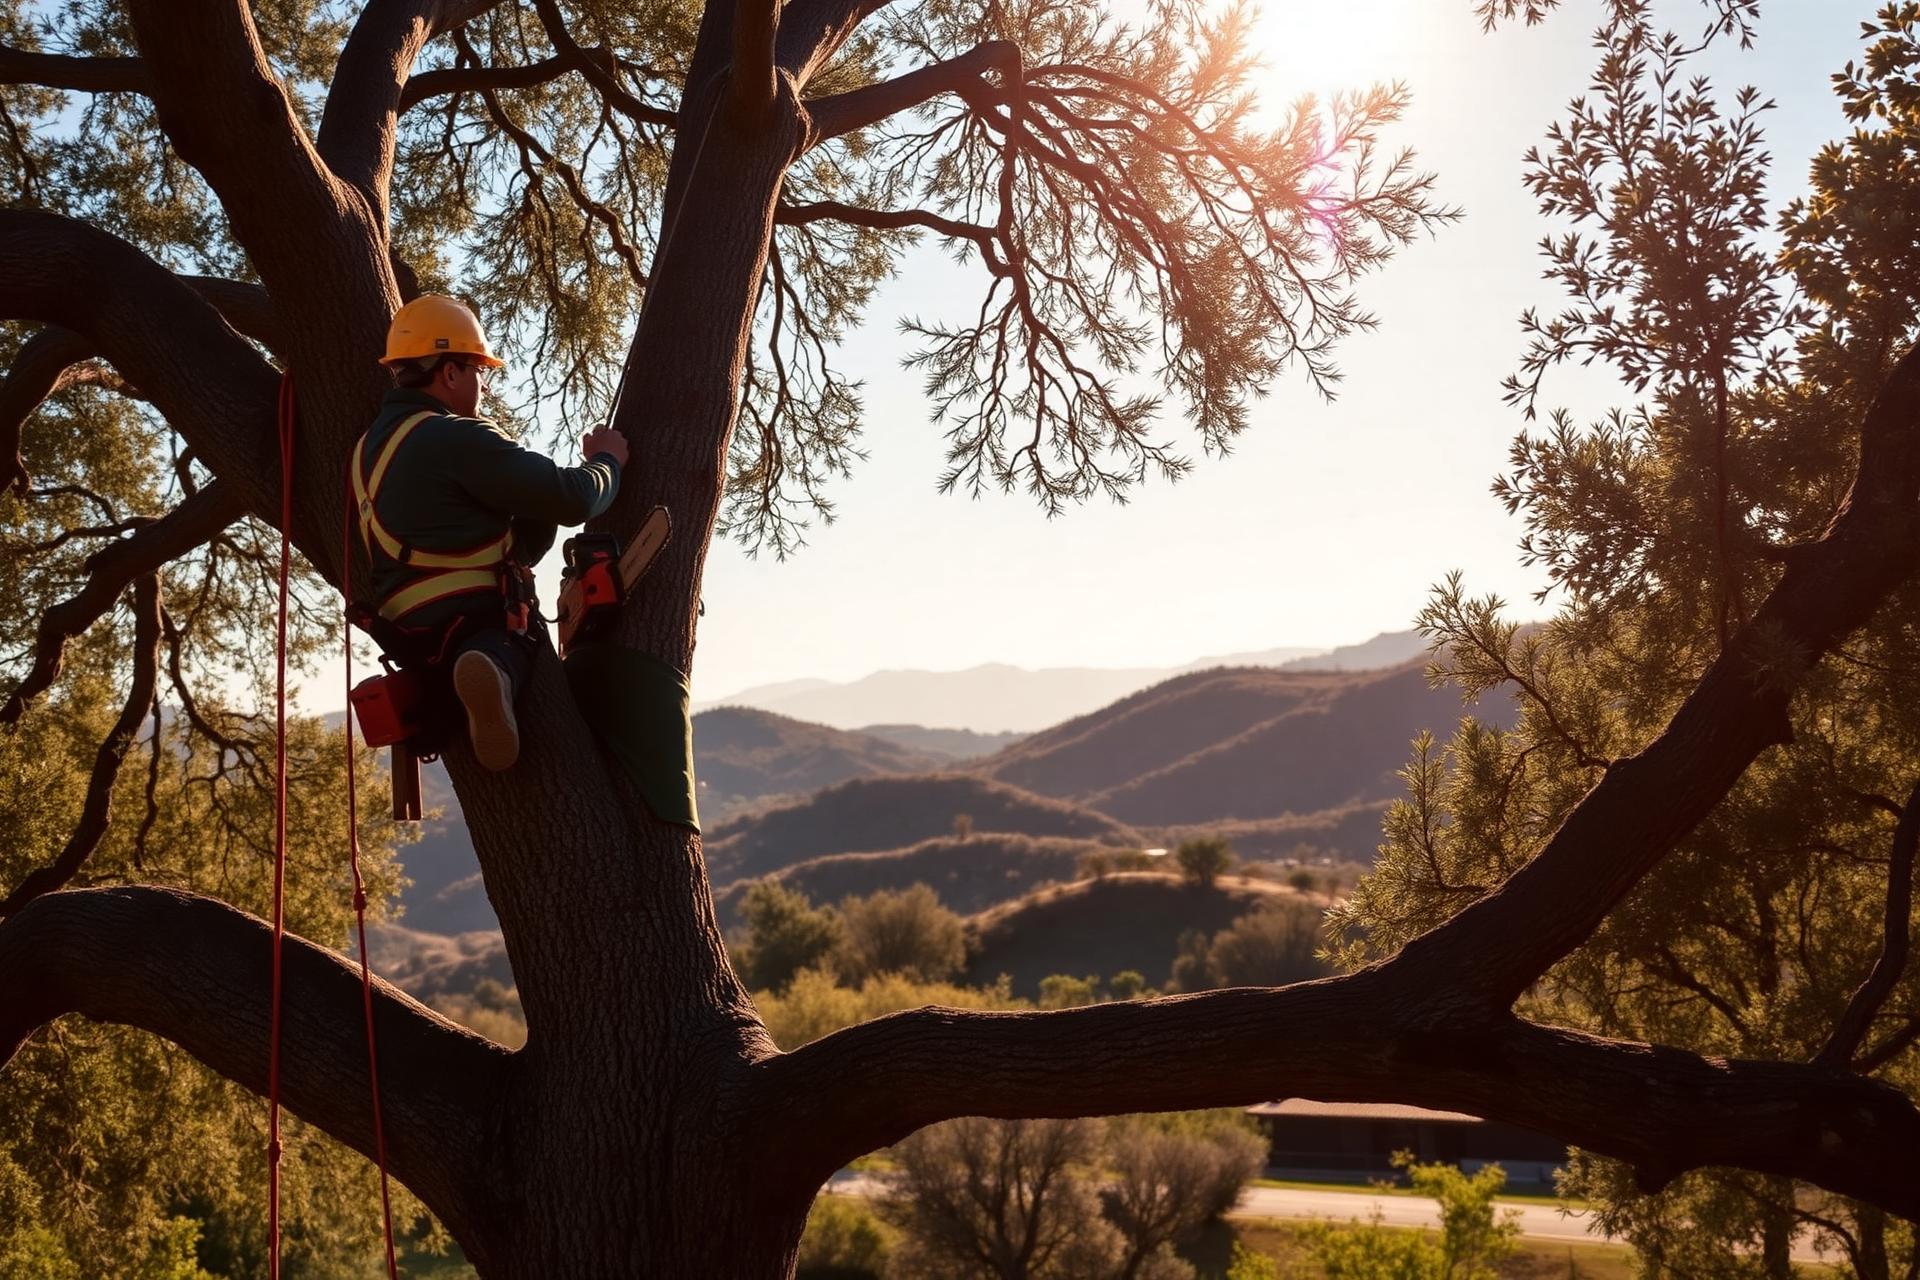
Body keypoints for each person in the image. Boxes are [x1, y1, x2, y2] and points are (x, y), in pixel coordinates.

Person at [353, 295, 628, 770]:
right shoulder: (454, 436)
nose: (482, 383)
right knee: (509, 642)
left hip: (409, 633)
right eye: (478, 369)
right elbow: (573, 498)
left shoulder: (364, 453)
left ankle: (468, 683)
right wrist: (607, 461)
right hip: (476, 616)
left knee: (464, 666)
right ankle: (494, 669)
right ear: (450, 372)